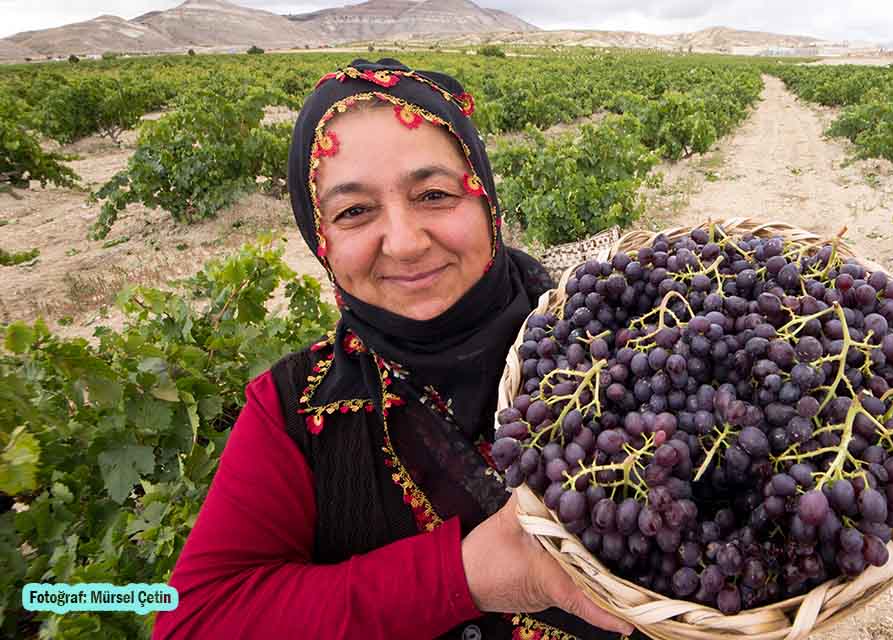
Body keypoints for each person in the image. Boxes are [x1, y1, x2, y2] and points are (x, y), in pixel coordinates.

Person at [152, 59, 635, 640]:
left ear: (487, 202)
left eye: (434, 194)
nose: (405, 244)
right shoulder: (295, 410)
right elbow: (194, 623)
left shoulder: (616, 340)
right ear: (319, 237)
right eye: (354, 211)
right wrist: (463, 576)